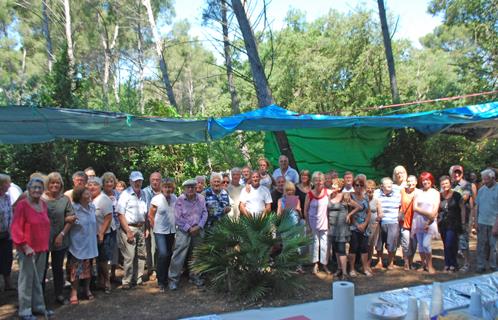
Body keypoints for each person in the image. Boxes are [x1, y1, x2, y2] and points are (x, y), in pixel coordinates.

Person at [11, 177, 53, 320]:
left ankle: (38, 306)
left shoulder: (43, 204)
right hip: (27, 249)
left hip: (42, 248)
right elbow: (16, 227)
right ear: (28, 189)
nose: (37, 190)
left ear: (43, 190)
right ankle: (25, 310)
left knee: (38, 279)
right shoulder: (22, 205)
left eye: (39, 187)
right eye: (34, 187)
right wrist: (24, 245)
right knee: (26, 280)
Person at [41, 172, 75, 304]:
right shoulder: (41, 199)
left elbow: (71, 218)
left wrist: (61, 235)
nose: (54, 185)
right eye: (52, 182)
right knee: (42, 268)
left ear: (61, 184)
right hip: (42, 239)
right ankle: (40, 295)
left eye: (57, 182)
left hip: (60, 238)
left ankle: (59, 294)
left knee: (57, 267)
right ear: (47, 184)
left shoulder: (65, 199)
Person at [168, 179, 208, 290]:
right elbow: (177, 217)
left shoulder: (201, 198)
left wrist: (199, 226)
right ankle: (173, 280)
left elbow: (205, 213)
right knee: (178, 255)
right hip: (183, 231)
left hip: (198, 230)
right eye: (188, 187)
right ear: (184, 189)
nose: (190, 189)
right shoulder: (180, 200)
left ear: (196, 188)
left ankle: (195, 276)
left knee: (196, 255)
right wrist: (189, 228)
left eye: (192, 187)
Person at [117, 171, 148, 289]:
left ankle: (138, 278)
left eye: (139, 180)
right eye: (135, 181)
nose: (137, 183)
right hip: (129, 227)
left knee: (141, 254)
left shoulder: (144, 193)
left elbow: (146, 212)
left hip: (141, 227)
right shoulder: (125, 194)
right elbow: (120, 214)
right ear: (130, 181)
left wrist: (146, 228)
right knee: (129, 256)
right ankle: (127, 281)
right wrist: (128, 231)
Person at [68, 186, 98, 304]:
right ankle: (74, 292)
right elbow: (69, 223)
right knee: (75, 269)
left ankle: (87, 289)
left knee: (88, 268)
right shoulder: (74, 208)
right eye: (86, 194)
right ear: (79, 196)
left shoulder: (92, 207)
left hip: (90, 243)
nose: (89, 195)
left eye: (89, 193)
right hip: (78, 243)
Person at [148, 178, 176, 292]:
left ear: (173, 188)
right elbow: (150, 215)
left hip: (171, 230)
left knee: (169, 254)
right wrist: (154, 227)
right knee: (163, 254)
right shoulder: (156, 199)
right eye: (165, 187)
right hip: (159, 230)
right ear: (162, 187)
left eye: (170, 187)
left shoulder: (175, 198)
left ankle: (166, 278)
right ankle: (161, 280)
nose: (168, 189)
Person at [329, 178, 361, 279]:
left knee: (342, 250)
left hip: (342, 228)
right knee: (336, 250)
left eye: (334, 185)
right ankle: (339, 269)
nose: (332, 186)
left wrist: (349, 215)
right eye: (332, 185)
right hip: (332, 227)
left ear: (339, 187)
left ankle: (344, 273)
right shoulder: (330, 196)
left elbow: (358, 207)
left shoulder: (344, 196)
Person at [88, 177, 114, 293]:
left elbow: (108, 217)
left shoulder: (104, 199)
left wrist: (101, 233)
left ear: (100, 187)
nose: (92, 187)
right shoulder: (88, 199)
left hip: (103, 233)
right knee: (93, 259)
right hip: (90, 234)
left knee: (102, 259)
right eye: (90, 185)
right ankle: (99, 281)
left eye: (95, 185)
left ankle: (107, 281)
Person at [411, 172, 440, 274]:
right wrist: (428, 213)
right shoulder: (418, 192)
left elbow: (435, 210)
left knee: (426, 244)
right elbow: (415, 208)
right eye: (423, 180)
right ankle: (423, 265)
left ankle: (430, 265)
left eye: (427, 180)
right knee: (420, 246)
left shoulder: (435, 193)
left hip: (430, 222)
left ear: (431, 180)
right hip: (418, 221)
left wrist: (429, 219)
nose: (425, 182)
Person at [304, 172, 330, 275]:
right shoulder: (309, 194)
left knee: (325, 245)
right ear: (313, 181)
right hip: (312, 222)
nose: (319, 182)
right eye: (316, 180)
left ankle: (324, 264)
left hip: (325, 222)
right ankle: (315, 264)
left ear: (324, 181)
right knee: (314, 244)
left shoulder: (328, 192)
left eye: (321, 180)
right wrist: (307, 224)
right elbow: (305, 210)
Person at [438, 175, 465, 272]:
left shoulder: (457, 195)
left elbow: (462, 209)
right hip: (442, 223)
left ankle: (454, 263)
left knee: (451, 243)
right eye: (442, 183)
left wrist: (463, 221)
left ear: (450, 183)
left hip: (454, 222)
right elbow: (437, 209)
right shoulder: (439, 196)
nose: (444, 185)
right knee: (445, 244)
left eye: (446, 183)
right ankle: (447, 264)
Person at [474, 168, 498, 273]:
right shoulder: (481, 190)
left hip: (494, 222)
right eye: (483, 179)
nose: (484, 182)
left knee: (494, 247)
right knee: (481, 246)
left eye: (486, 179)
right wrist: (475, 222)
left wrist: (496, 225)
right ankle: (481, 265)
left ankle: (493, 266)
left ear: (493, 178)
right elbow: (477, 207)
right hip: (481, 222)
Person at [449, 164, 472, 272]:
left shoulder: (466, 184)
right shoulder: (450, 184)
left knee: (463, 242)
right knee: (454, 241)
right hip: (452, 217)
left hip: (463, 217)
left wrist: (453, 194)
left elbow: (464, 198)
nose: (457, 174)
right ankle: (455, 263)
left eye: (459, 172)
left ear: (462, 174)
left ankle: (467, 263)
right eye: (455, 172)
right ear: (451, 173)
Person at [348, 177, 372, 277]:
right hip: (354, 226)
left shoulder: (366, 197)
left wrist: (365, 224)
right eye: (356, 185)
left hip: (365, 227)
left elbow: (369, 212)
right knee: (353, 248)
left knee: (364, 248)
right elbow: (349, 212)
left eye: (361, 185)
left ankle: (365, 268)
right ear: (353, 186)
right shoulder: (350, 196)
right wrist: (357, 225)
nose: (359, 187)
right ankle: (352, 269)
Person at [376, 177, 401, 270]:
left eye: (391, 183)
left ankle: (390, 262)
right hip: (380, 222)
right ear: (382, 186)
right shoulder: (376, 193)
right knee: (379, 243)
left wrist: (400, 215)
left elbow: (401, 206)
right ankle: (379, 261)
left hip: (393, 221)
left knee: (392, 243)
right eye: (387, 183)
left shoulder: (397, 194)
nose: (389, 185)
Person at [101, 172, 121, 284]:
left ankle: (113, 274)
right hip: (103, 226)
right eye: (107, 181)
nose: (109, 183)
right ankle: (104, 277)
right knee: (104, 252)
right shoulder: (100, 194)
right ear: (103, 184)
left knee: (115, 252)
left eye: (111, 181)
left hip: (116, 225)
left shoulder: (118, 194)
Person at [143, 172, 162, 281]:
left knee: (161, 248)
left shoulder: (164, 191)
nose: (155, 182)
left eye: (157, 179)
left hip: (163, 224)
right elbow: (145, 210)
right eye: (153, 179)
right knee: (151, 248)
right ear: (150, 180)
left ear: (161, 180)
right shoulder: (145, 192)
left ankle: (161, 268)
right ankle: (152, 270)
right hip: (149, 223)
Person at [399, 175, 419, 270]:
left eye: (412, 181)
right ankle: (406, 262)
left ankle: (411, 262)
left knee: (414, 244)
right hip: (404, 222)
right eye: (409, 181)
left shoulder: (419, 192)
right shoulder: (402, 191)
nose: (411, 183)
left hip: (415, 223)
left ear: (416, 182)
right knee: (406, 243)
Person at [0, 174, 14, 291]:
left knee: (7, 258)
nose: (9, 185)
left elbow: (10, 214)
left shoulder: (7, 197)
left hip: (7, 233)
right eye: (7, 183)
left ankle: (8, 283)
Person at [366, 180, 381, 268]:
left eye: (372, 188)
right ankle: (362, 262)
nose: (370, 190)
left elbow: (381, 213)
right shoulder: (362, 199)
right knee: (363, 245)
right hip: (363, 225)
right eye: (368, 188)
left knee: (370, 245)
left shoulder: (376, 201)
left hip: (373, 226)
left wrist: (379, 217)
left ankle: (368, 262)